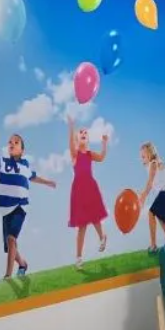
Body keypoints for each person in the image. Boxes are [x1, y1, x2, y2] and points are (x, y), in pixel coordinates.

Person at [0, 126, 56, 279]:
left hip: (20, 207)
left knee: (12, 239)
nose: (12, 144)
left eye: (16, 142)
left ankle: (7, 276)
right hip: (5, 209)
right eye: (10, 142)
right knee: (9, 246)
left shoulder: (25, 166)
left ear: (22, 150)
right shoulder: (3, 163)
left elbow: (34, 177)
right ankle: (23, 264)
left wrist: (48, 182)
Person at [67, 115, 109, 269]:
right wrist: (71, 127)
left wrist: (104, 143)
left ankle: (102, 237)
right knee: (82, 226)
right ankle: (78, 258)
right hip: (78, 190)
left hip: (90, 188)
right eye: (81, 133)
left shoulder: (90, 154)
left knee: (95, 217)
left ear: (88, 139)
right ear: (77, 140)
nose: (83, 134)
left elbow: (102, 157)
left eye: (85, 133)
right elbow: (71, 144)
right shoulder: (75, 154)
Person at [138, 141, 165, 253]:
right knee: (159, 216)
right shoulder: (151, 164)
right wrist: (142, 193)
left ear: (150, 154)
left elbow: (150, 183)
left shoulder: (153, 164)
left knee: (152, 213)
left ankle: (153, 246)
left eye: (143, 156)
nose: (141, 158)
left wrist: (143, 196)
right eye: (141, 156)